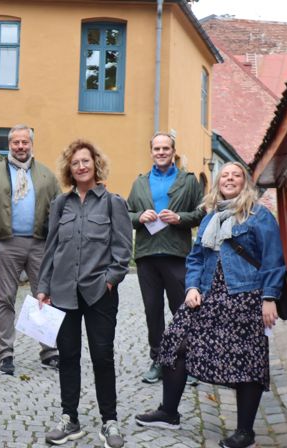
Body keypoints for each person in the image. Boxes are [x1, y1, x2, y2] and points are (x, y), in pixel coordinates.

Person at [134, 162, 286, 448]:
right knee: (175, 342)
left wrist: (269, 298)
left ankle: (245, 432)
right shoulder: (210, 218)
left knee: (246, 361)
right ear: (218, 184)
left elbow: (273, 259)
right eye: (224, 175)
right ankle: (168, 412)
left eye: (236, 176)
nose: (229, 179)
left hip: (245, 296)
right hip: (207, 296)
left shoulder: (259, 216)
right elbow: (195, 258)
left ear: (245, 184)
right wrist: (192, 286)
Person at [37, 140, 132, 448]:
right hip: (63, 293)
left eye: (86, 161)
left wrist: (111, 279)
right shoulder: (60, 205)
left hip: (99, 293)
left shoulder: (112, 202)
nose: (81, 166)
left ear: (95, 165)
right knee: (68, 357)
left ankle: (110, 421)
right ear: (70, 169)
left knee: (102, 356)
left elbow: (122, 248)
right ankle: (70, 419)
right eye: (75, 162)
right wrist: (43, 287)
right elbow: (51, 248)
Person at [0, 124, 62, 375]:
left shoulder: (46, 175)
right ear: (9, 144)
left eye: (25, 142)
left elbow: (59, 210)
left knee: (44, 297)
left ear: (31, 144)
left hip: (39, 244)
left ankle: (49, 351)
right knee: (5, 298)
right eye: (16, 142)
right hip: (7, 243)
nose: (20, 147)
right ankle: (6, 353)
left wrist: (53, 243)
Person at [126, 132, 205, 384]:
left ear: (173, 152)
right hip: (147, 255)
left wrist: (180, 218)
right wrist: (139, 217)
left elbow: (202, 213)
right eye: (157, 148)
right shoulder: (139, 183)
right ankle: (159, 359)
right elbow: (125, 214)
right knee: (152, 311)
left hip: (176, 253)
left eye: (166, 149)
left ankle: (188, 361)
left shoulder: (188, 181)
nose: (161, 152)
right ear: (151, 152)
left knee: (181, 309)